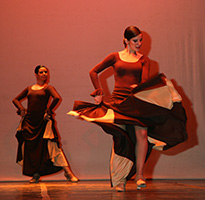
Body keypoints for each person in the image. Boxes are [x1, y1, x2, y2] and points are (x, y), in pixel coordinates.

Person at [68, 26, 187, 191]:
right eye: (135, 40)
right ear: (126, 40)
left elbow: (144, 83)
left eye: (140, 39)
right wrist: (99, 91)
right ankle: (120, 180)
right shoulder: (115, 57)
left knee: (142, 134)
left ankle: (140, 175)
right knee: (121, 137)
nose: (139, 43)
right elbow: (93, 72)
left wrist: (137, 87)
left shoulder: (144, 60)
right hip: (119, 102)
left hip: (137, 103)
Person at [12, 65, 79, 183]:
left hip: (43, 122)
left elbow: (57, 98)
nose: (44, 74)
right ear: (36, 74)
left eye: (46, 72)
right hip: (30, 122)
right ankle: (36, 174)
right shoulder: (29, 88)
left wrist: (48, 111)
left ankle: (68, 173)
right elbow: (15, 99)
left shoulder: (48, 88)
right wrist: (22, 109)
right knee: (32, 150)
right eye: (42, 72)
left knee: (53, 147)